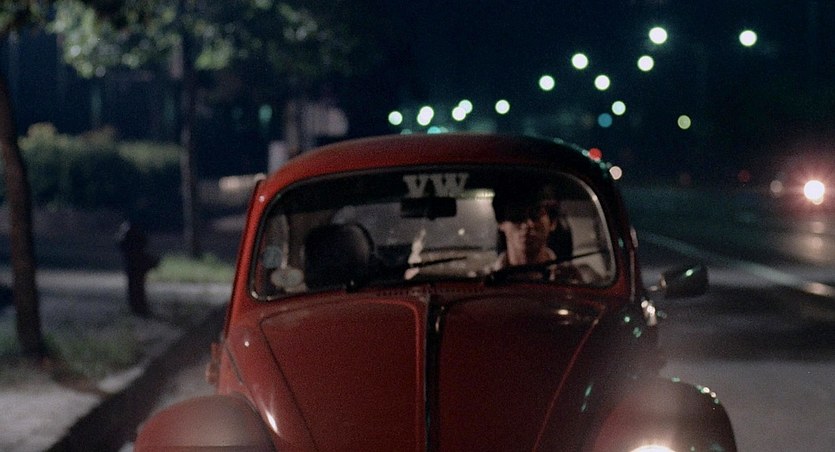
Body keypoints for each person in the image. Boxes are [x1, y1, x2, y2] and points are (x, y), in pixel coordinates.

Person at [490, 183, 581, 282]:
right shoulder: (482, 283)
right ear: (501, 222)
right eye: (516, 215)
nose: (527, 224)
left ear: (552, 222)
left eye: (536, 213)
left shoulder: (573, 281)